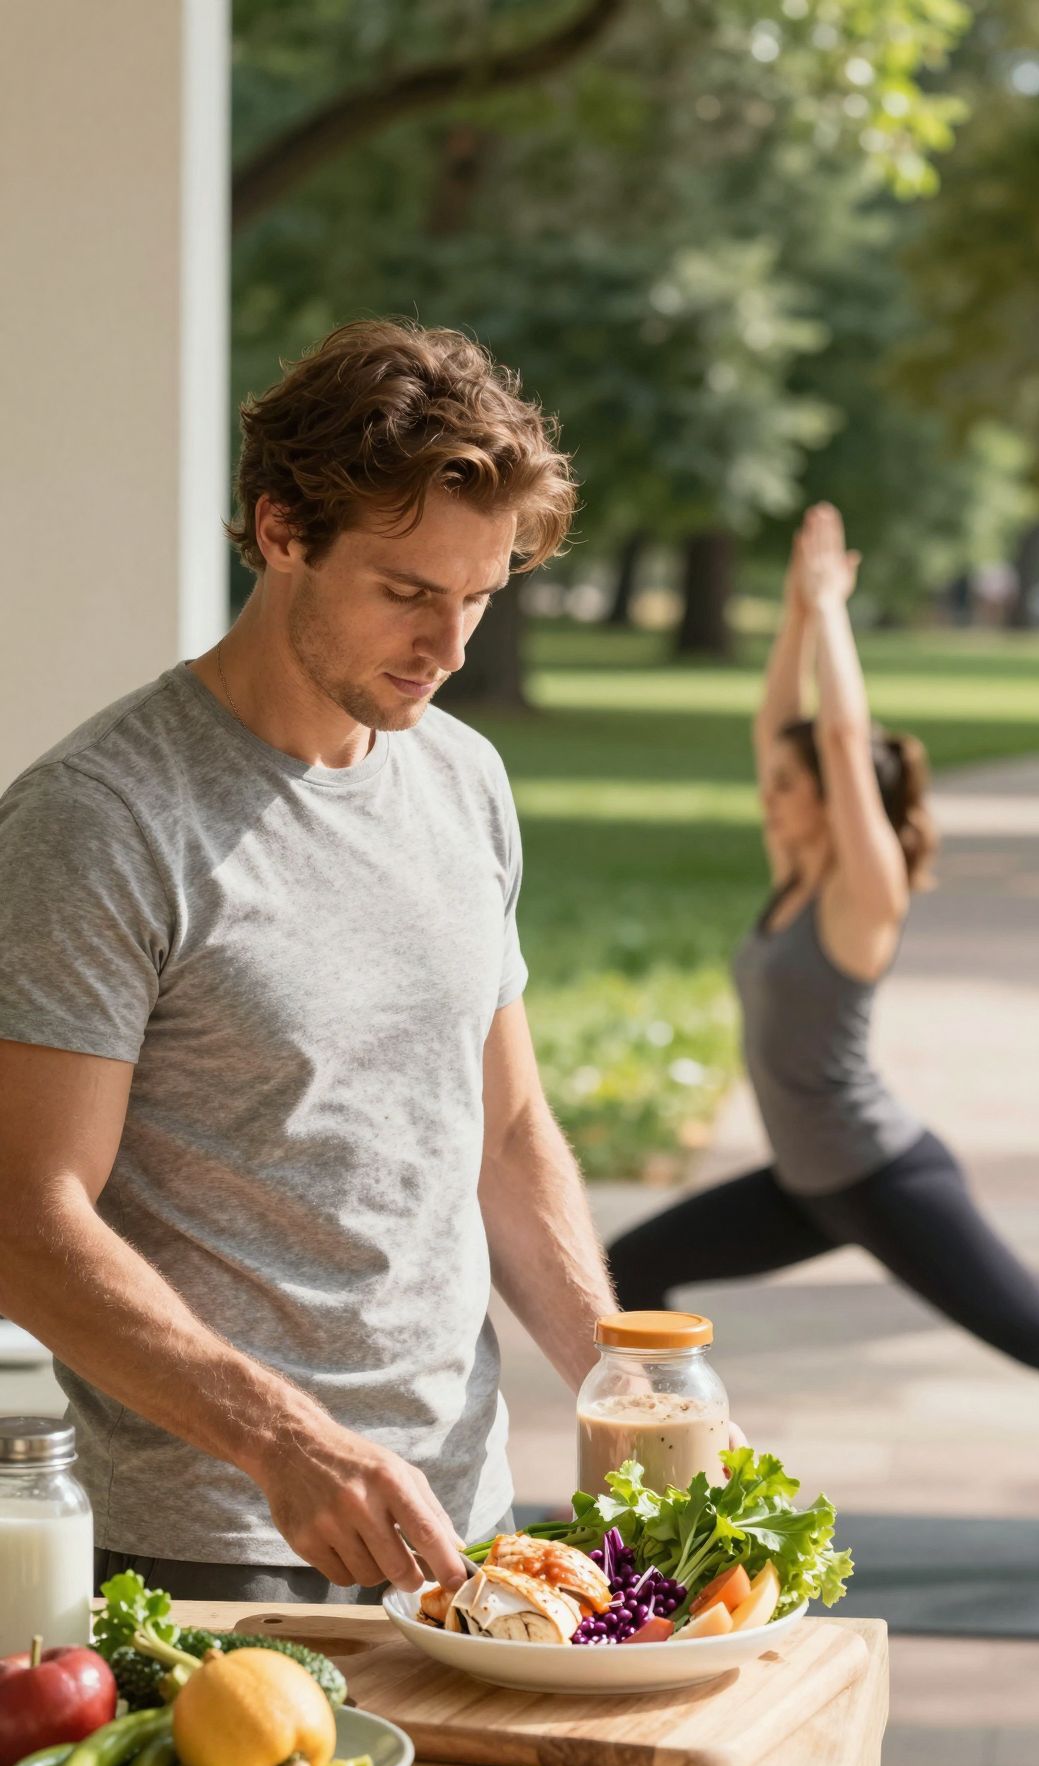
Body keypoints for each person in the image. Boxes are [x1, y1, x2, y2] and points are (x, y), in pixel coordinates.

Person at [0, 320, 621, 1606]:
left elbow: (503, 1130)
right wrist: (285, 1442)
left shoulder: (463, 778)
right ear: (281, 529)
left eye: (481, 596)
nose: (449, 647)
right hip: (210, 1550)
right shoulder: (102, 818)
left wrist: (623, 1379)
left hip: (469, 1525)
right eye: (407, 591)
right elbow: (22, 1217)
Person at [606, 504, 1039, 1576]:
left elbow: (828, 730)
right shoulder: (796, 874)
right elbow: (784, 721)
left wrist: (831, 614)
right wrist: (792, 610)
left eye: (789, 788)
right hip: (805, 1182)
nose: (769, 798)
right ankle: (689, 1491)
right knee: (631, 1268)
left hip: (886, 1180)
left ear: (839, 799)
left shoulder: (858, 898)